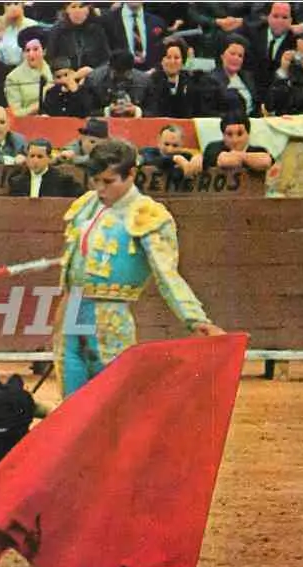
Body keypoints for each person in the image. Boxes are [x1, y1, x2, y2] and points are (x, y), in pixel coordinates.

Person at [55, 139, 225, 397]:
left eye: (109, 181)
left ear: (131, 174)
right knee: (71, 391)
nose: (100, 189)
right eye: (95, 180)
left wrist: (195, 319)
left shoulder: (147, 214)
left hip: (110, 315)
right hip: (73, 305)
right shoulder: (87, 204)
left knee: (111, 395)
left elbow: (167, 274)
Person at [141, 36, 202, 118]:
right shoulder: (152, 82)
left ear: (182, 62)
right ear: (162, 61)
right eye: (168, 57)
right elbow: (150, 112)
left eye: (176, 58)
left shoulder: (190, 83)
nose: (172, 62)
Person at [46, 2, 110, 72]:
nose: (77, 11)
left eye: (81, 7)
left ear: (88, 9)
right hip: (65, 75)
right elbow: (50, 60)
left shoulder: (97, 29)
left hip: (93, 75)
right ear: (67, 9)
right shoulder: (58, 30)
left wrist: (91, 72)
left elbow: (106, 60)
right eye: (73, 7)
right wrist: (70, 70)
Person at [103, 2, 167, 72]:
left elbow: (164, 53)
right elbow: (103, 54)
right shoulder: (107, 21)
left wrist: (156, 69)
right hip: (119, 73)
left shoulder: (158, 22)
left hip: (152, 74)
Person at [8, 139, 84, 198]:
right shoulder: (17, 182)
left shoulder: (63, 180)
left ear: (49, 158)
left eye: (40, 157)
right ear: (27, 158)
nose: (35, 161)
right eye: (32, 156)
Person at [83, 49, 148, 117]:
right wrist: (107, 111)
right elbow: (85, 111)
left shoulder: (144, 81)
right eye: (117, 74)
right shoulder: (93, 80)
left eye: (125, 75)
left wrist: (137, 111)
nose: (121, 79)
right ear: (109, 67)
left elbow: (153, 110)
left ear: (131, 70)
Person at [4, 26, 52, 116]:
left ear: (44, 51)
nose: (31, 54)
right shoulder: (13, 78)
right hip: (29, 122)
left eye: (35, 49)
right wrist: (40, 105)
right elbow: (16, 113)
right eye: (27, 50)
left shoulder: (54, 70)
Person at [200, 112, 273, 171]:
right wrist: (250, 159)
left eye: (240, 134)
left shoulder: (258, 150)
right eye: (229, 134)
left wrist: (239, 156)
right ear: (223, 135)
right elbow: (223, 161)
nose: (235, 140)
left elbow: (266, 161)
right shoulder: (213, 148)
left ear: (248, 134)